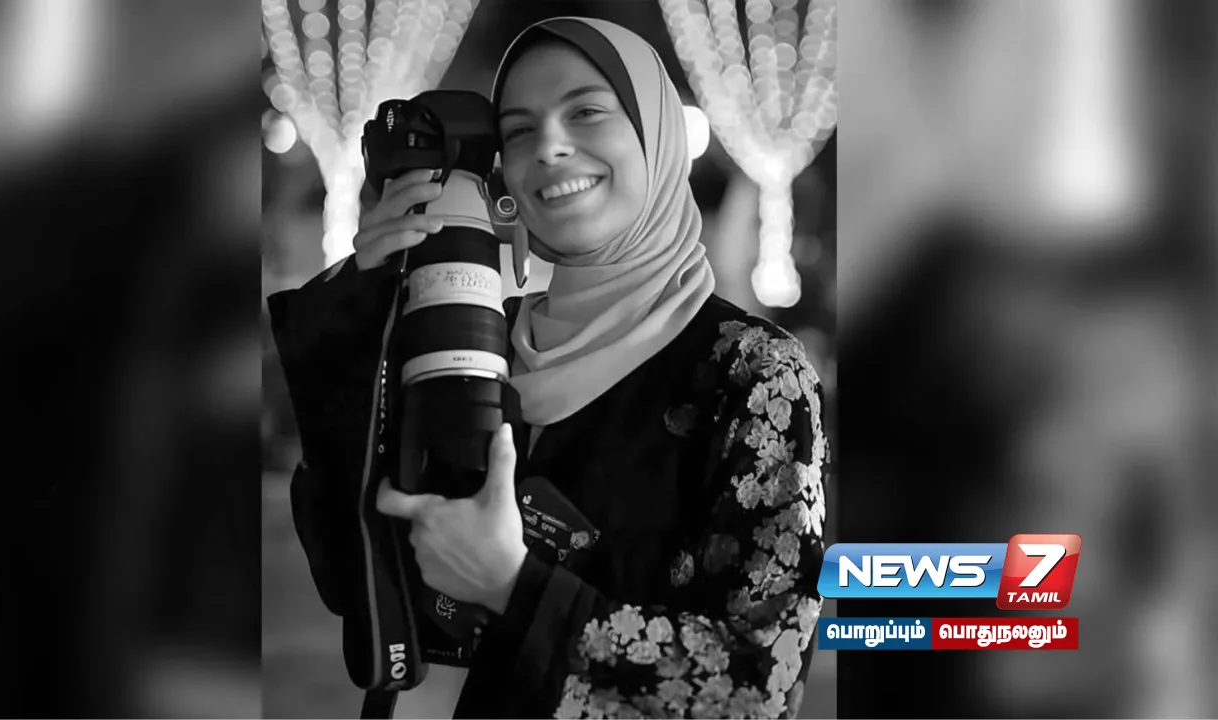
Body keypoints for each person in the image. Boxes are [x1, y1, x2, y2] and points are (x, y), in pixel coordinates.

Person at [268, 17, 828, 720]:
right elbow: (356, 578)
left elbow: (757, 685)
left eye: (586, 112)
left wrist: (515, 587)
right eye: (519, 130)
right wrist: (369, 302)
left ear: (657, 138)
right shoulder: (473, 340)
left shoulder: (753, 373)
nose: (549, 146)